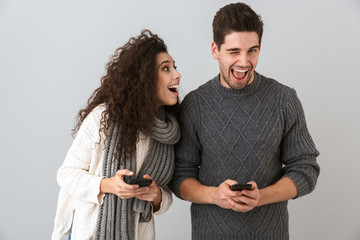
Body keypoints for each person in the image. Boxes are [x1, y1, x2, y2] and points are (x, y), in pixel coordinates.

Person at [169, 3, 320, 239]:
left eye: (252, 50)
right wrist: (214, 195)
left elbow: (305, 169)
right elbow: (179, 175)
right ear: (215, 50)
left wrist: (262, 197)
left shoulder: (284, 99)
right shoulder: (195, 104)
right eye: (233, 51)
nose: (244, 61)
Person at [52, 29, 181, 240]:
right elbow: (66, 174)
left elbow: (165, 194)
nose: (177, 75)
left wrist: (156, 196)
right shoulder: (103, 117)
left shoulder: (168, 132)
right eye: (166, 68)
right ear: (145, 78)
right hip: (91, 233)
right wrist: (110, 185)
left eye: (175, 67)